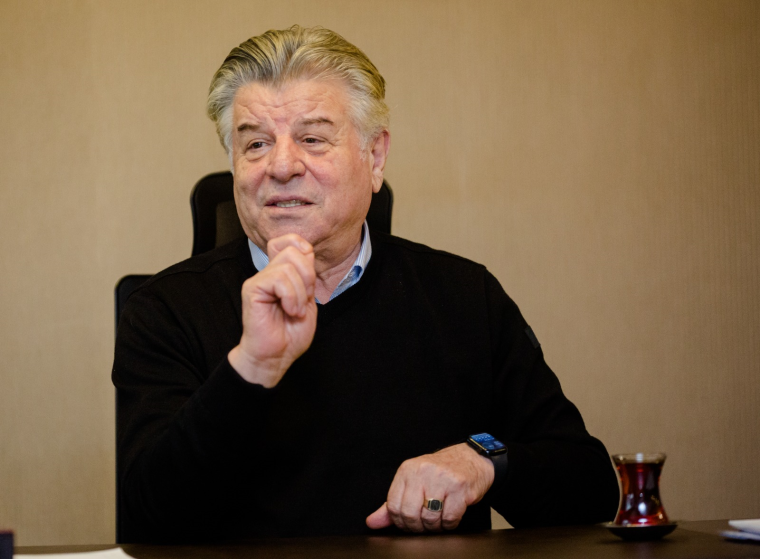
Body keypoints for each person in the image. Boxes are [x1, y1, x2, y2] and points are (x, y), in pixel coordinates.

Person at [113, 25, 619, 543]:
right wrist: (252, 367)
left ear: (375, 157)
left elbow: (590, 484)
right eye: (256, 144)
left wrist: (482, 462)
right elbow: (148, 522)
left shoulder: (465, 298)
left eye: (312, 139)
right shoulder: (163, 312)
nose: (281, 165)